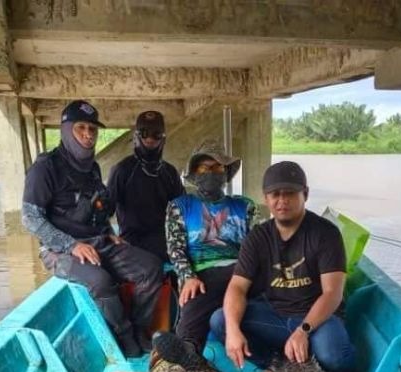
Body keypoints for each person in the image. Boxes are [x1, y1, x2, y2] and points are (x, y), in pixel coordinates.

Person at [21, 100, 163, 357]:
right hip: (59, 251)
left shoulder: (93, 169)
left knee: (150, 268)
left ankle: (140, 329)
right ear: (66, 130)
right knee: (100, 281)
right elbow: (31, 218)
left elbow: (98, 209)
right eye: (81, 128)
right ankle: (123, 336)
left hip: (98, 242)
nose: (88, 135)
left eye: (93, 129)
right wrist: (72, 245)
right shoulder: (44, 169)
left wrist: (108, 232)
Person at [210, 161, 355, 372]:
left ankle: (300, 367)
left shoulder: (325, 233)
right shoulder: (258, 237)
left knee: (334, 356)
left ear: (305, 194)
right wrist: (234, 330)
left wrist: (303, 331)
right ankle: (275, 366)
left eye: (289, 193)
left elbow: (332, 293)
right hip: (276, 316)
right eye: (274, 194)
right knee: (222, 321)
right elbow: (237, 287)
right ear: (266, 198)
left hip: (318, 320)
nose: (281, 200)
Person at [166, 140, 255, 353]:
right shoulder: (179, 206)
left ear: (225, 173)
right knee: (195, 294)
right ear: (194, 174)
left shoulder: (245, 206)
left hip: (241, 272)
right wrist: (187, 276)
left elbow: (258, 247)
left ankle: (186, 347)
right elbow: (175, 248)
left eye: (217, 167)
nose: (211, 172)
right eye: (204, 168)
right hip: (200, 275)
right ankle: (188, 350)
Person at [107, 110, 184, 262]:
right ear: (136, 135)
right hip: (133, 242)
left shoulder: (170, 172)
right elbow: (105, 212)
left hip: (167, 239)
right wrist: (110, 236)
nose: (150, 138)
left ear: (163, 138)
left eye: (156, 134)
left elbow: (183, 211)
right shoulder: (121, 170)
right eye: (144, 133)